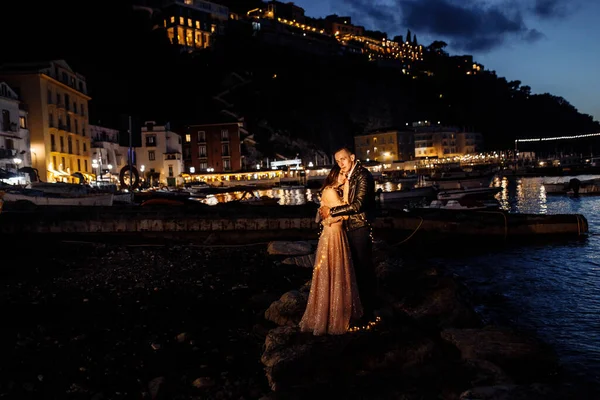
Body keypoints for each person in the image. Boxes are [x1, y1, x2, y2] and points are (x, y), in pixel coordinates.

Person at [299, 166, 363, 335]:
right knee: (335, 272)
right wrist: (348, 187)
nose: (345, 177)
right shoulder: (331, 192)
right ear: (335, 175)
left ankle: (335, 312)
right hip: (333, 236)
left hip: (336, 234)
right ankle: (332, 316)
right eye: (342, 174)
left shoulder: (334, 191)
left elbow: (336, 212)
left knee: (337, 273)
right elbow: (346, 214)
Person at [319, 146, 377, 322]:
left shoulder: (363, 176)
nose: (340, 163)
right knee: (354, 270)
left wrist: (332, 211)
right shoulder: (349, 177)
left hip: (359, 226)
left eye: (343, 159)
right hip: (349, 227)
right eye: (337, 161)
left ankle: (368, 312)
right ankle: (358, 310)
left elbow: (358, 204)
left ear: (352, 157)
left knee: (363, 269)